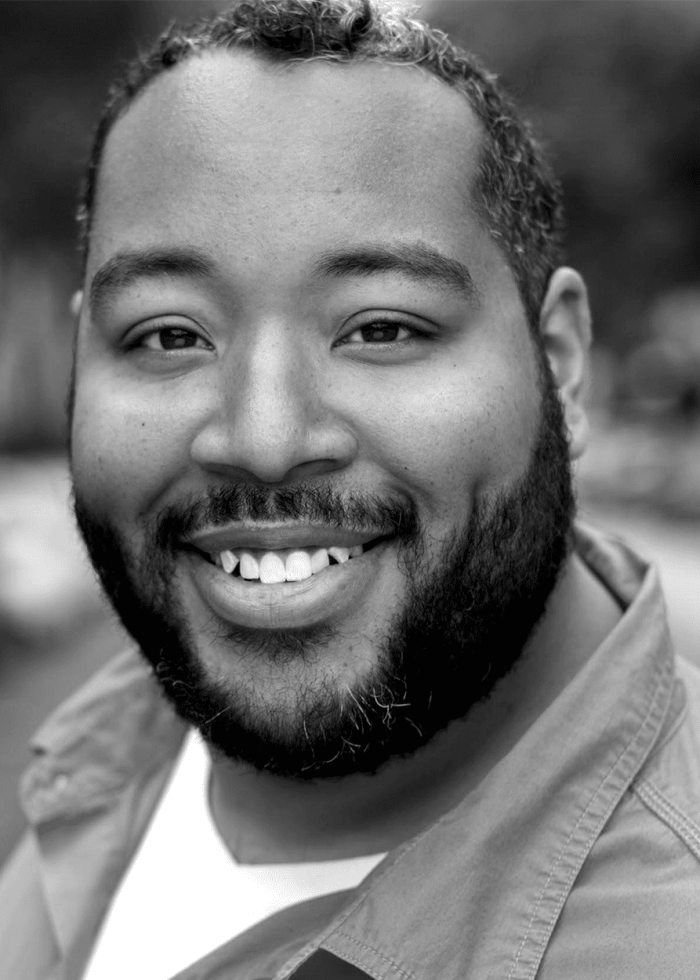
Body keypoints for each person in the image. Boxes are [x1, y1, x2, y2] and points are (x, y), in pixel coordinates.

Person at [2, 1, 700, 977]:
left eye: (381, 327)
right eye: (169, 334)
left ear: (561, 364)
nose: (263, 437)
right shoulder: (112, 747)